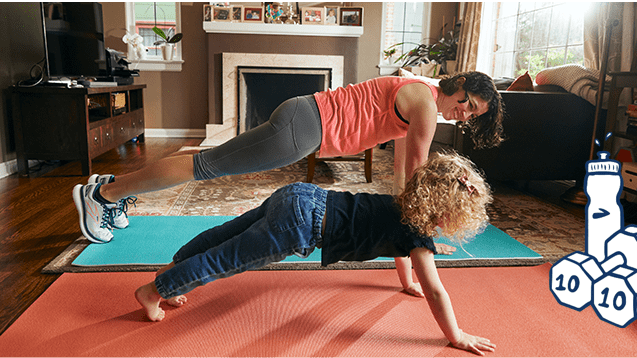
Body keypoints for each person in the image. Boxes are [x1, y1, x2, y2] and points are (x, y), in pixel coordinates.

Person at [73, 72, 504, 243]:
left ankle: (106, 192)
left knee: (208, 162)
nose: (462, 116)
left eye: (471, 116)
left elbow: (403, 172)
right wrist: (424, 230)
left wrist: (411, 221)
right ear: (459, 83)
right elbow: (418, 174)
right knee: (205, 165)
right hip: (305, 126)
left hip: (303, 119)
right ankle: (104, 196)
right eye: (467, 104)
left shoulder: (425, 92)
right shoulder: (428, 105)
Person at [134, 152, 496, 355]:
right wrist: (456, 334)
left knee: (226, 235)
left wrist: (406, 284)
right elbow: (437, 291)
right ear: (448, 210)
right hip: (302, 225)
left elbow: (397, 252)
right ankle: (155, 291)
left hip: (302, 194)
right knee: (228, 259)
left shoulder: (402, 206)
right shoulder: (418, 234)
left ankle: (175, 268)